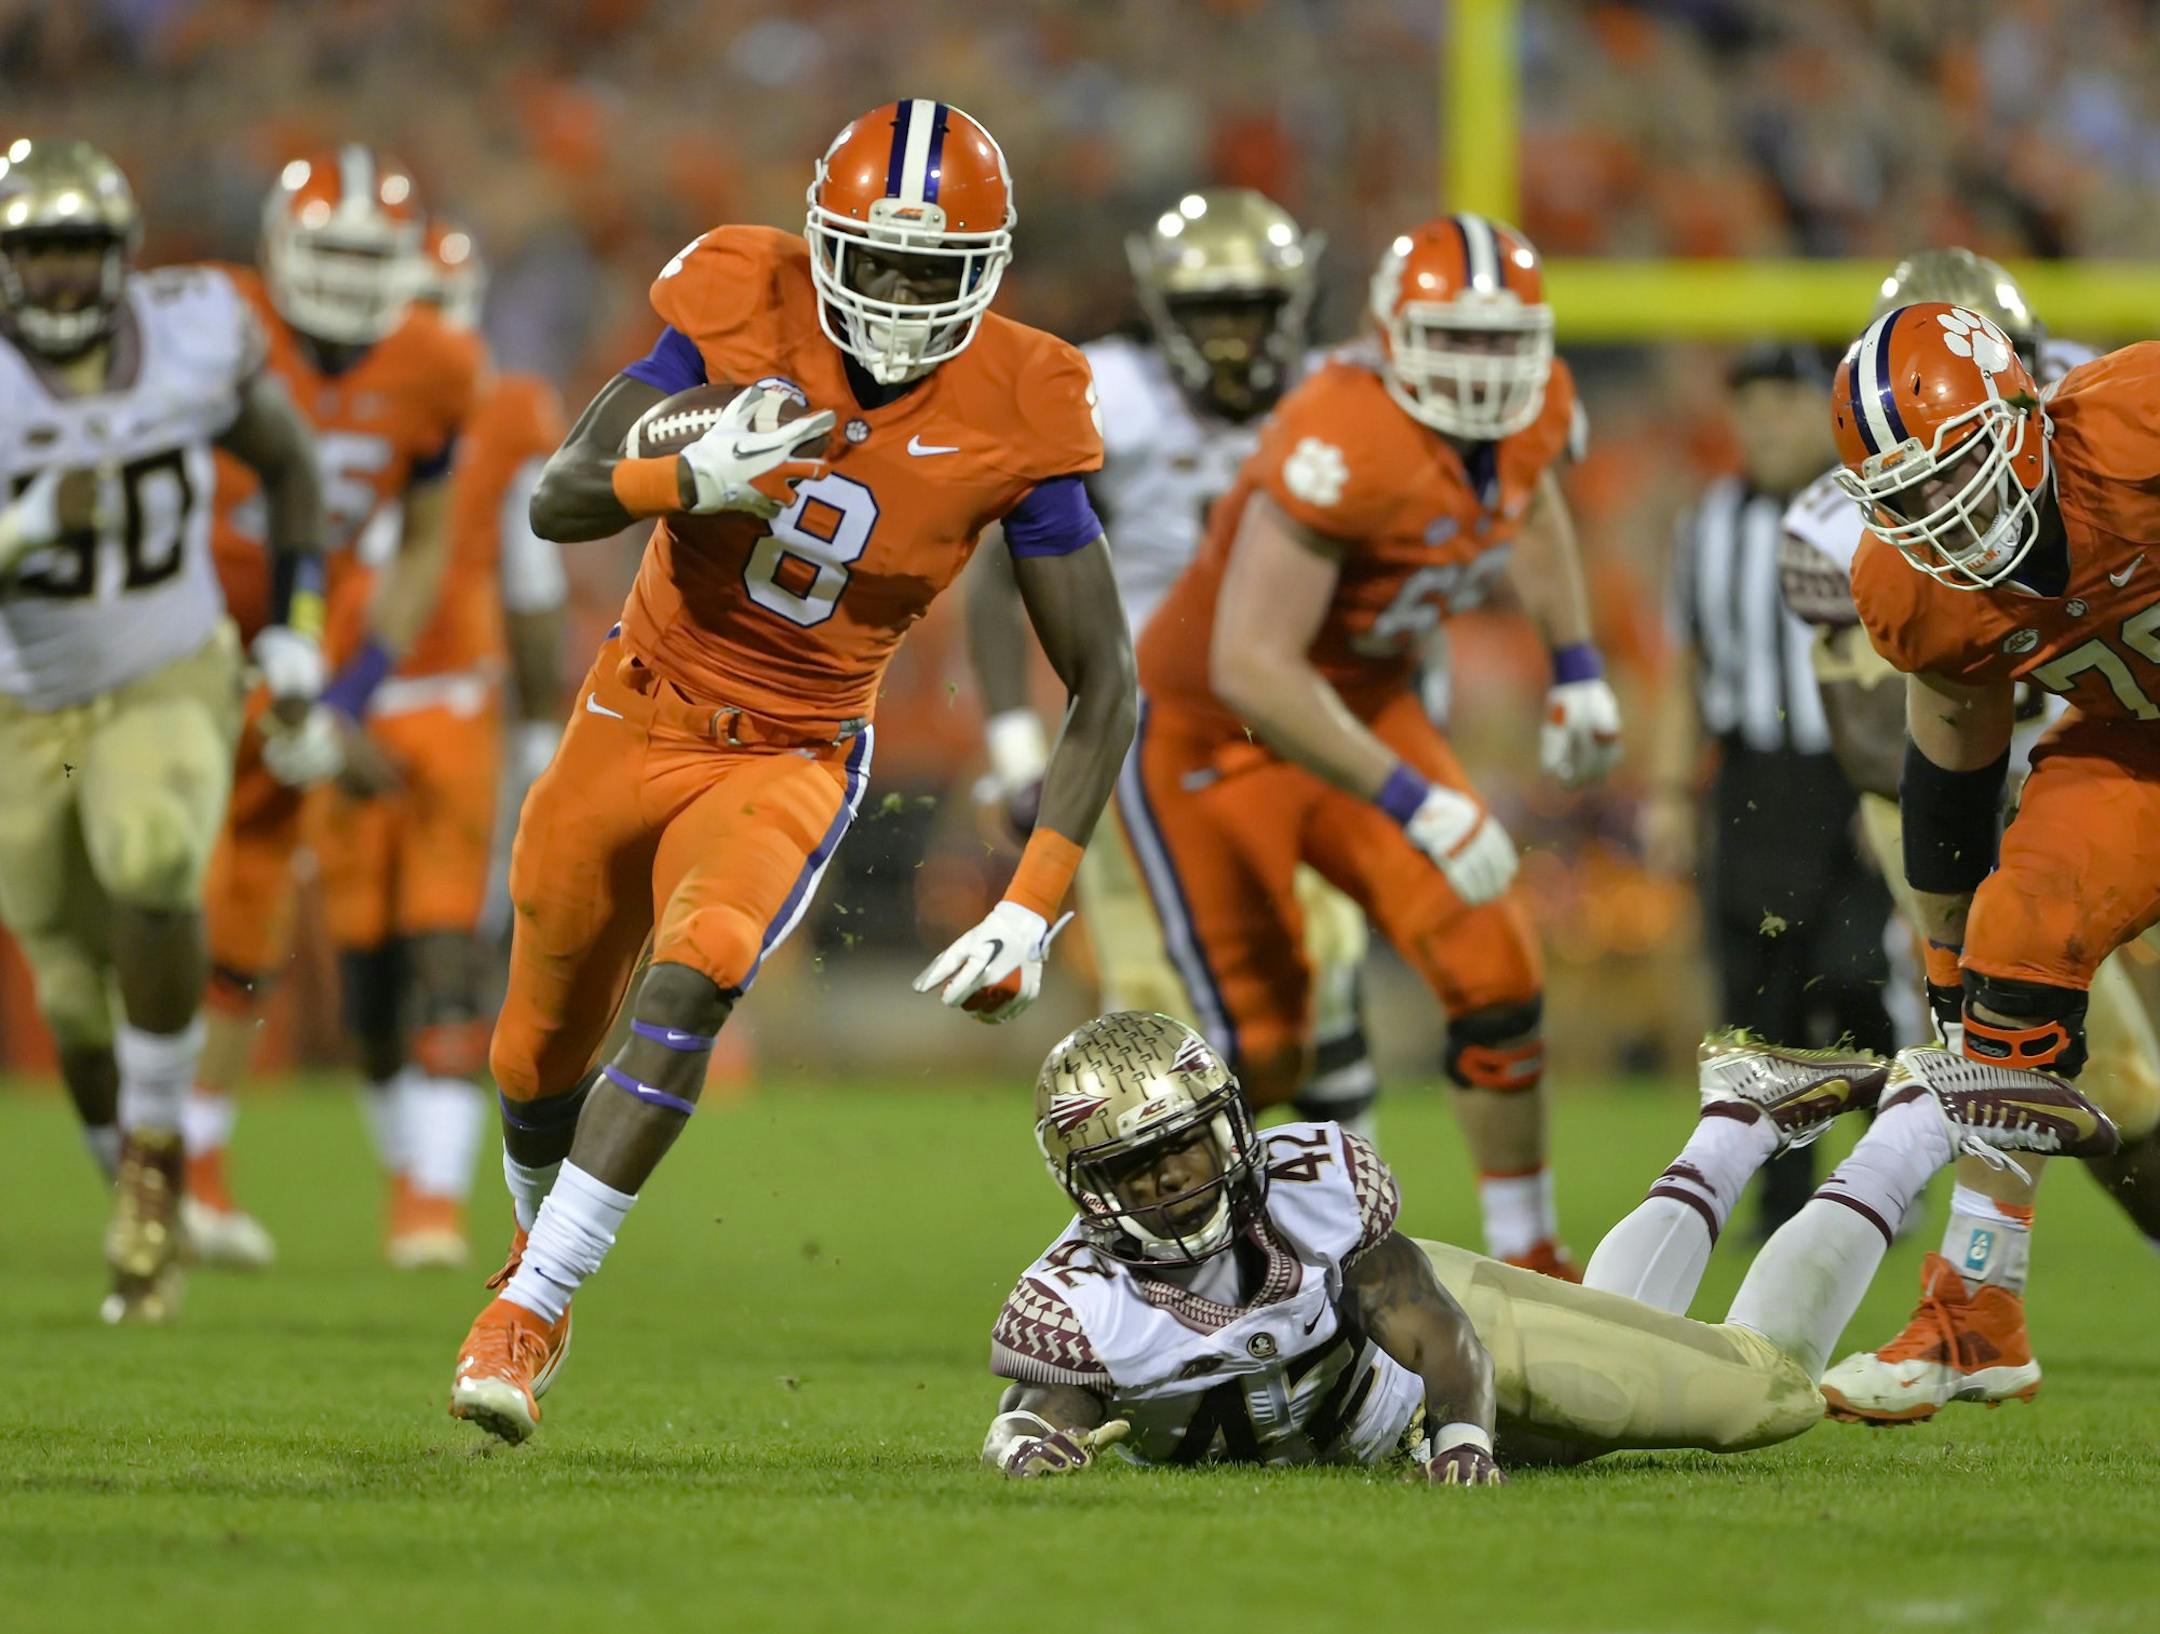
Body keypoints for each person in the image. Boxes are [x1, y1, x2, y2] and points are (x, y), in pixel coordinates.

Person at [444, 99, 1136, 1444]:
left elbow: (1106, 680)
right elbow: (560, 492)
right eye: (871, 260)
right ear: (820, 244)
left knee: (695, 976)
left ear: (984, 274)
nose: (892, 293)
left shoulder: (1025, 394)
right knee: (534, 1056)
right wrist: (684, 472)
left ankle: (527, 1311)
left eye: (928, 270)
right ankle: (538, 1251)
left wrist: (1031, 897)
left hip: (793, 747)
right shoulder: (737, 294)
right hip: (630, 708)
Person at [980, 1011, 2117, 1478]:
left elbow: (1420, 1314)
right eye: (1136, 1164)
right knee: (1648, 1344)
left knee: (1762, 1399)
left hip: (1458, 1349)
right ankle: (1740, 1119)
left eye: (1183, 1143)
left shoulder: (1310, 1188)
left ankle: (1918, 1122)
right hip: (1386, 1429)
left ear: (1229, 1124)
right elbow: (1043, 1409)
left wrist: (1466, 1431)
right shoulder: (1074, 1299)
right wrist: (1028, 1446)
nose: (1172, 1176)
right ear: (1087, 1185)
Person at [1122, 214, 1619, 1277]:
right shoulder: (1341, 432)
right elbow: (1250, 664)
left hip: (1365, 704)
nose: (1485, 369)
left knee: (1495, 966)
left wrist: (1575, 663)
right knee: (1263, 1047)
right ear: (1390, 333)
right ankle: (1157, 1261)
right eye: (1456, 338)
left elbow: (1532, 509)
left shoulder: (1538, 409)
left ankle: (1529, 1249)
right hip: (1223, 738)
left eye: (1501, 341)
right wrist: (1416, 797)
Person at [1781, 251, 2160, 1423]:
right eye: (1910, 500)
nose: (1952, 518)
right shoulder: (1916, 588)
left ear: (2026, 410)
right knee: (2018, 935)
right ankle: (1975, 1317)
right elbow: (1951, 770)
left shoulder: (2140, 423)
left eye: (1962, 471)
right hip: (2135, 740)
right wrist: (1955, 977)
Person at [965, 188, 1383, 1135]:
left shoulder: (1342, 398)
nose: (1233, 337)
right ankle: (1171, 1254)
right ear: (1163, 309)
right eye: (1210, 312)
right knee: (1155, 1006)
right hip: (1142, 746)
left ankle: (1343, 1228)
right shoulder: (1112, 394)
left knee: (1321, 988)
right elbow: (999, 575)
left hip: (1294, 736)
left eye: (1252, 308)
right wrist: (1014, 744)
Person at [0, 138, 326, 1321]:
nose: (61, 276)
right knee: (73, 996)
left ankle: (149, 1172)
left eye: (80, 249)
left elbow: (291, 467)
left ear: (122, 253)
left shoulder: (193, 330)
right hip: (23, 700)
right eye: (37, 252)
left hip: (166, 667)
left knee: (150, 852)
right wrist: (23, 528)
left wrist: (296, 624)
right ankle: (146, 1193)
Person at [179, 147, 483, 1270]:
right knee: (148, 883)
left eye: (371, 256)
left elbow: (428, 540)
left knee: (243, 911)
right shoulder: (213, 316)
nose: (350, 279)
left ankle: (183, 1163)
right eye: (333, 250)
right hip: (161, 631)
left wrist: (344, 688)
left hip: (292, 651)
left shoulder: (439, 363)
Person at [1644, 342, 1896, 1237]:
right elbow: (1690, 665)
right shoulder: (1707, 523)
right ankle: (1781, 1199)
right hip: (1751, 779)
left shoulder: (1873, 513)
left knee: (1861, 978)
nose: (1764, 421)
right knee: (1756, 1001)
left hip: (1849, 779)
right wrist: (1671, 793)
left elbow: (1909, 658)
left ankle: (1886, 1171)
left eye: (1784, 400)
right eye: (1750, 402)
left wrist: (1896, 786)